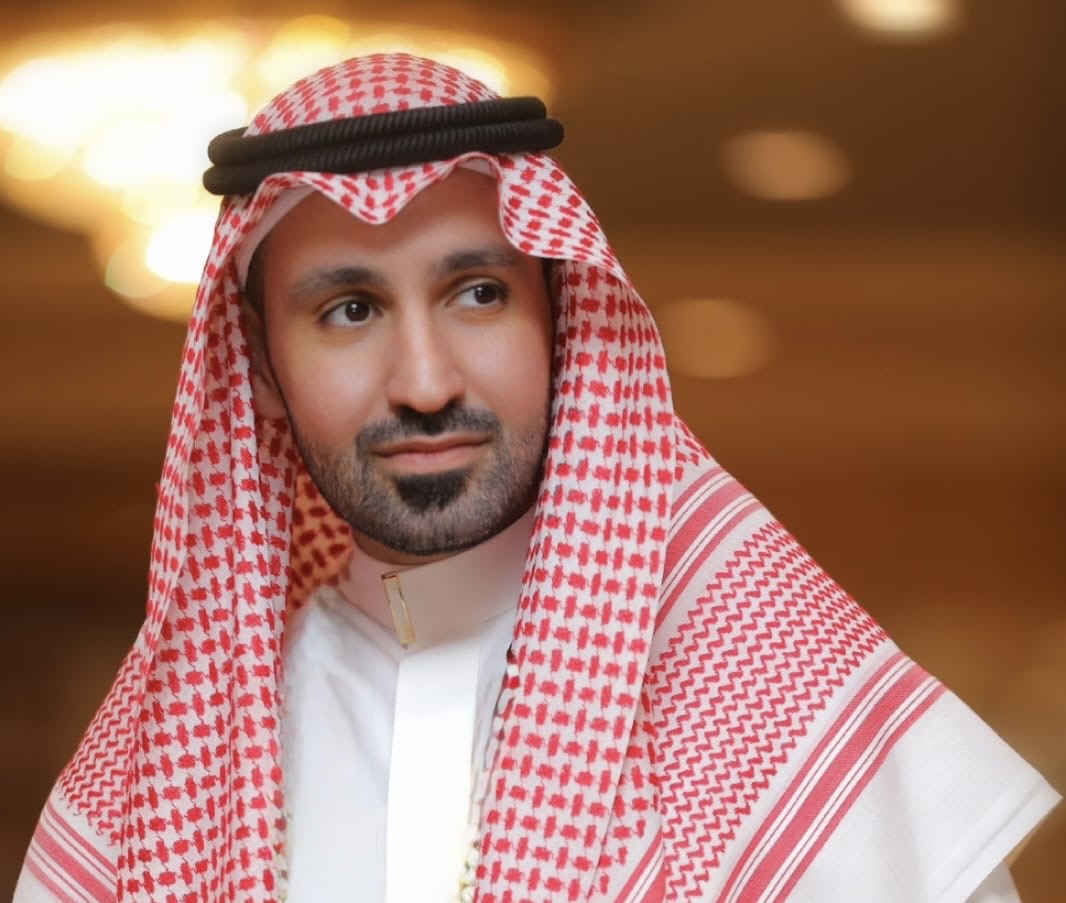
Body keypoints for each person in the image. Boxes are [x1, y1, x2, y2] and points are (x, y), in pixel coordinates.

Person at [14, 53, 1059, 903]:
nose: (426, 383)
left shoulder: (783, 711)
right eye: (350, 310)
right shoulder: (167, 773)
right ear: (259, 372)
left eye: (477, 293)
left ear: (561, 319)